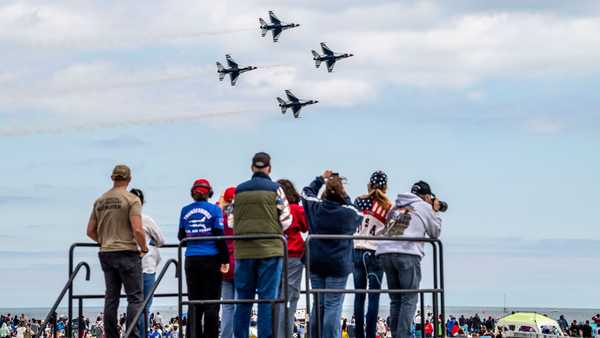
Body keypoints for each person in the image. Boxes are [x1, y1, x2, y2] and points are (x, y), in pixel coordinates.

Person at [232, 152, 292, 338]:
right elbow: (287, 220)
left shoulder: (238, 191)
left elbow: (230, 221)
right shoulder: (276, 189)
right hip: (270, 251)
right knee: (267, 300)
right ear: (269, 168)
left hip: (244, 251)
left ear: (252, 168)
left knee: (243, 300)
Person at [86, 165, 148, 338]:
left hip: (106, 253)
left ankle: (112, 335)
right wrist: (143, 247)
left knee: (111, 298)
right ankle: (131, 334)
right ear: (129, 179)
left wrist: (105, 240)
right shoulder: (132, 200)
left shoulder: (100, 201)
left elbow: (90, 231)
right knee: (135, 298)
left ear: (112, 178)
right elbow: (137, 230)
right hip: (127, 252)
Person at [376, 180, 443, 338]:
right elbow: (435, 232)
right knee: (409, 298)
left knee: (395, 299)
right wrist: (435, 211)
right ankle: (403, 335)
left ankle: (396, 335)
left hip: (385, 252)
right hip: (407, 253)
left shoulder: (396, 206)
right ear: (427, 196)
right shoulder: (425, 206)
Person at [302, 170, 363, 338]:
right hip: (338, 264)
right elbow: (359, 213)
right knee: (333, 305)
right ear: (342, 193)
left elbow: (306, 193)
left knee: (318, 303)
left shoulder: (315, 208)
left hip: (315, 262)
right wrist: (343, 196)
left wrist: (320, 179)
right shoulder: (348, 213)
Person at [178, 179, 230, 338]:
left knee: (194, 302)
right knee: (212, 303)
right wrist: (225, 260)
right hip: (211, 258)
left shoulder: (185, 210)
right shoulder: (214, 210)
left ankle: (193, 335)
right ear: (210, 192)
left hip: (191, 259)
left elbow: (181, 236)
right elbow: (219, 236)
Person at [353, 171, 392, 338]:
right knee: (373, 298)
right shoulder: (388, 207)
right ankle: (370, 335)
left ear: (369, 185)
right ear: (385, 187)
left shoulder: (358, 202)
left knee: (358, 296)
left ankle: (359, 335)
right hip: (375, 253)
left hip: (356, 251)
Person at [130, 188, 165, 338]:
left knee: (133, 304)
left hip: (128, 267)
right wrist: (150, 242)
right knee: (145, 306)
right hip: (146, 267)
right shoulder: (146, 220)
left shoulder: (122, 220)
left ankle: (132, 334)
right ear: (142, 203)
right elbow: (161, 240)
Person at [276, 179, 308, 338]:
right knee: (289, 299)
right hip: (294, 255)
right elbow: (306, 226)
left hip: (273, 254)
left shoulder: (272, 209)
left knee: (274, 298)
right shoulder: (296, 209)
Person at [218, 187, 237, 338]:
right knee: (240, 305)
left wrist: (220, 202)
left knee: (227, 307)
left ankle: (225, 336)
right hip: (240, 262)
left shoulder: (220, 216)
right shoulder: (241, 216)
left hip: (224, 263)